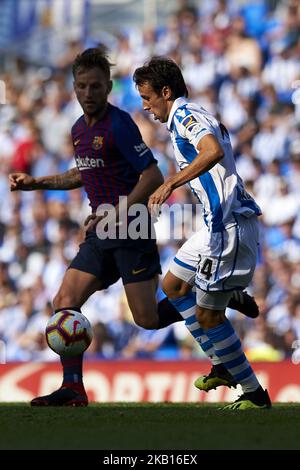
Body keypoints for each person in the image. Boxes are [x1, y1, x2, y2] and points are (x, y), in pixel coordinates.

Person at [10, 47, 258, 407]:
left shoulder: (120, 124)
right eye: (82, 86)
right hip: (102, 230)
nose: (89, 93)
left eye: (96, 86)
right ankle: (73, 388)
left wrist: (119, 212)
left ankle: (218, 296)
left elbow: (152, 174)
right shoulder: (79, 129)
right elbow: (84, 173)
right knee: (63, 302)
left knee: (147, 318)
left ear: (108, 87)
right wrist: (37, 182)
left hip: (131, 226)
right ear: (75, 88)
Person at [133, 56, 271, 410]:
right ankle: (222, 356)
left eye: (148, 97)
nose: (145, 105)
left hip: (229, 225)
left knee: (209, 317)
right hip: (213, 227)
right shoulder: (184, 116)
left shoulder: (185, 115)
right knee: (173, 287)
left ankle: (254, 394)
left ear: (167, 92)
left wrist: (170, 182)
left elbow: (212, 150)